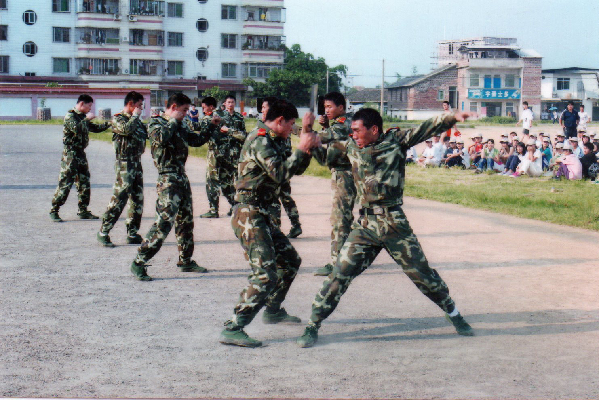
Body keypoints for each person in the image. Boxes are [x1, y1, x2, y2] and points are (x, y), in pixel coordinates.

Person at [296, 107, 476, 348]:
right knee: (339, 273)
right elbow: (323, 157)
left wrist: (452, 117)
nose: (354, 135)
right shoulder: (350, 146)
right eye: (352, 131)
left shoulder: (395, 140)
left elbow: (428, 127)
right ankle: (313, 325)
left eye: (358, 131)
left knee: (423, 276)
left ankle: (454, 314)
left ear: (374, 129)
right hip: (366, 225)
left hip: (394, 223)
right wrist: (307, 133)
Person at [219, 100, 320, 348]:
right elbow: (279, 173)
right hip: (249, 212)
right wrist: (302, 148)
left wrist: (306, 145)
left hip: (261, 211)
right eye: (291, 124)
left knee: (290, 261)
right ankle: (234, 326)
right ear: (279, 121)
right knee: (265, 274)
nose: (292, 128)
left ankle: (272, 309)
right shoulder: (260, 139)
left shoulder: (275, 139)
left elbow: (293, 169)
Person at [129, 93, 214, 281]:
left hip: (181, 177)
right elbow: (160, 139)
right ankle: (139, 261)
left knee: (185, 222)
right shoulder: (157, 122)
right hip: (168, 178)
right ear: (174, 107)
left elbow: (195, 140)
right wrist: (174, 121)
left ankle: (185, 260)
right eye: (183, 110)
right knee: (164, 223)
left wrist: (211, 127)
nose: (186, 114)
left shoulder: (181, 123)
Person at [311, 92, 357, 277]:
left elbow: (321, 138)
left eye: (329, 107)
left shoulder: (342, 124)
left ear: (341, 107)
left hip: (344, 176)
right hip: (343, 174)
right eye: (324, 107)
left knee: (340, 219)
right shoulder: (341, 123)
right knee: (343, 218)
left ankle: (338, 263)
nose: (326, 110)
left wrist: (302, 129)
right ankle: (347, 257)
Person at [97, 91, 147, 247]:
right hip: (125, 163)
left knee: (137, 199)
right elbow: (126, 130)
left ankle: (132, 232)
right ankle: (103, 231)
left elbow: (144, 134)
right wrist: (135, 116)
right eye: (139, 105)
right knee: (119, 198)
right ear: (131, 104)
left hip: (136, 162)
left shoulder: (137, 121)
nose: (141, 108)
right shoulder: (118, 119)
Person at [49, 94, 110, 222]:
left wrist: (109, 124)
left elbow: (94, 128)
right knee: (66, 182)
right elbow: (77, 129)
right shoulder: (70, 116)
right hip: (70, 154)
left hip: (80, 153)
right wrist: (87, 119)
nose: (90, 109)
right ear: (82, 104)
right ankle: (54, 210)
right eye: (89, 106)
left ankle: (83, 210)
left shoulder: (82, 117)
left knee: (84, 182)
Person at [262, 97, 303, 238]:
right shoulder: (263, 131)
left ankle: (290, 226)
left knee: (283, 196)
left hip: (282, 165)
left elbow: (299, 130)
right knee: (282, 197)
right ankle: (283, 228)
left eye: (265, 108)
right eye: (262, 108)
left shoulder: (282, 125)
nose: (263, 111)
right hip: (274, 166)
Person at [200, 95, 247, 218]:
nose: (230, 104)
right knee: (219, 181)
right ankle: (221, 208)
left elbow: (243, 135)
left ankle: (230, 207)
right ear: (224, 104)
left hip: (228, 154)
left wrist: (230, 131)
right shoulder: (219, 115)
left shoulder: (237, 117)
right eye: (228, 102)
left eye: (232, 102)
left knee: (221, 182)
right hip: (220, 152)